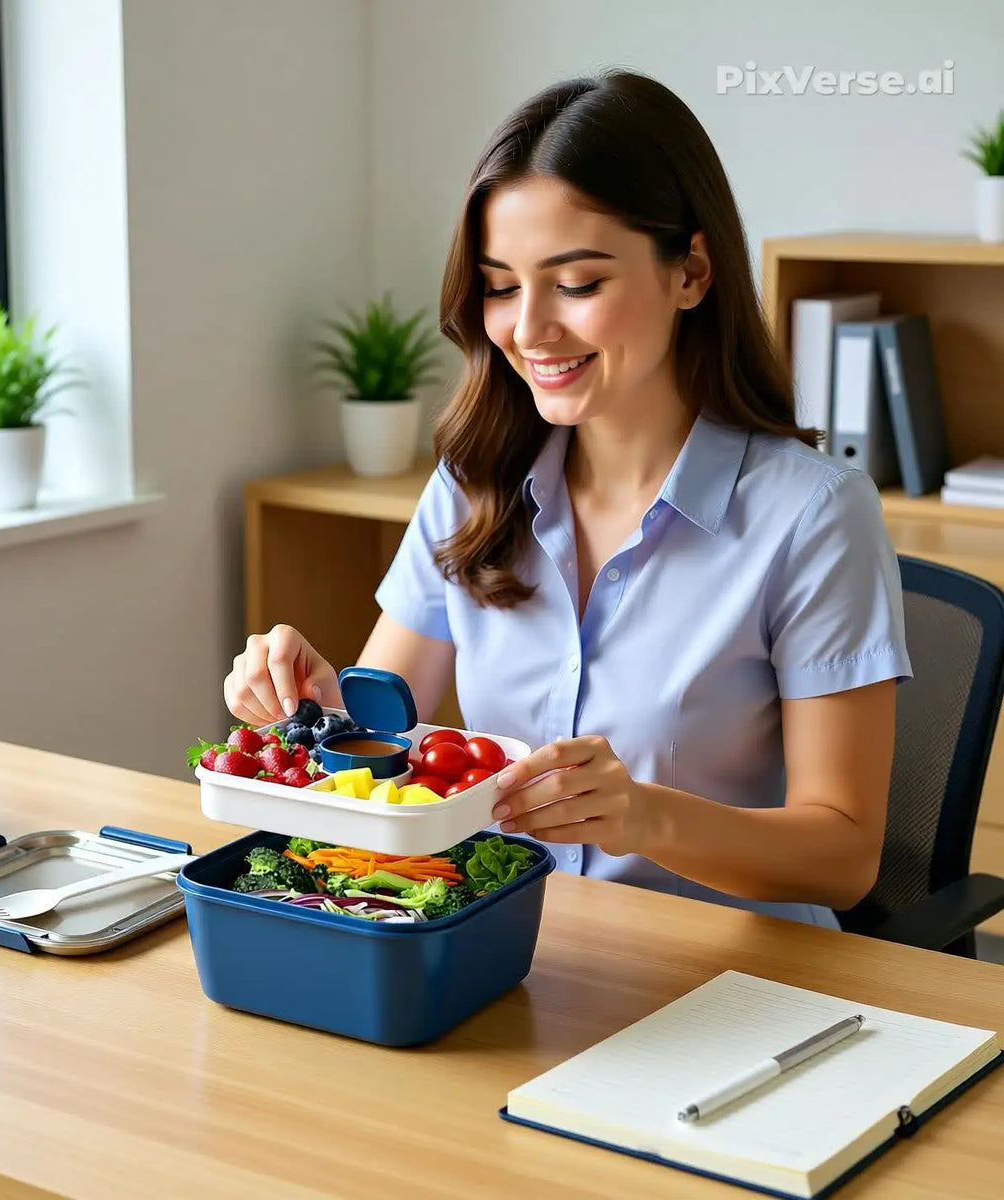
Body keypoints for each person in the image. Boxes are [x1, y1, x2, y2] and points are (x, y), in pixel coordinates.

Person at [224, 69, 912, 929]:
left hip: (730, 980)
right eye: (502, 285)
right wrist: (314, 713)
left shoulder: (812, 514)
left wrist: (646, 816)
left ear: (691, 271)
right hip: (515, 948)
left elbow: (843, 858)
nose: (529, 328)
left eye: (578, 284)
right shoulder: (476, 481)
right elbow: (380, 744)